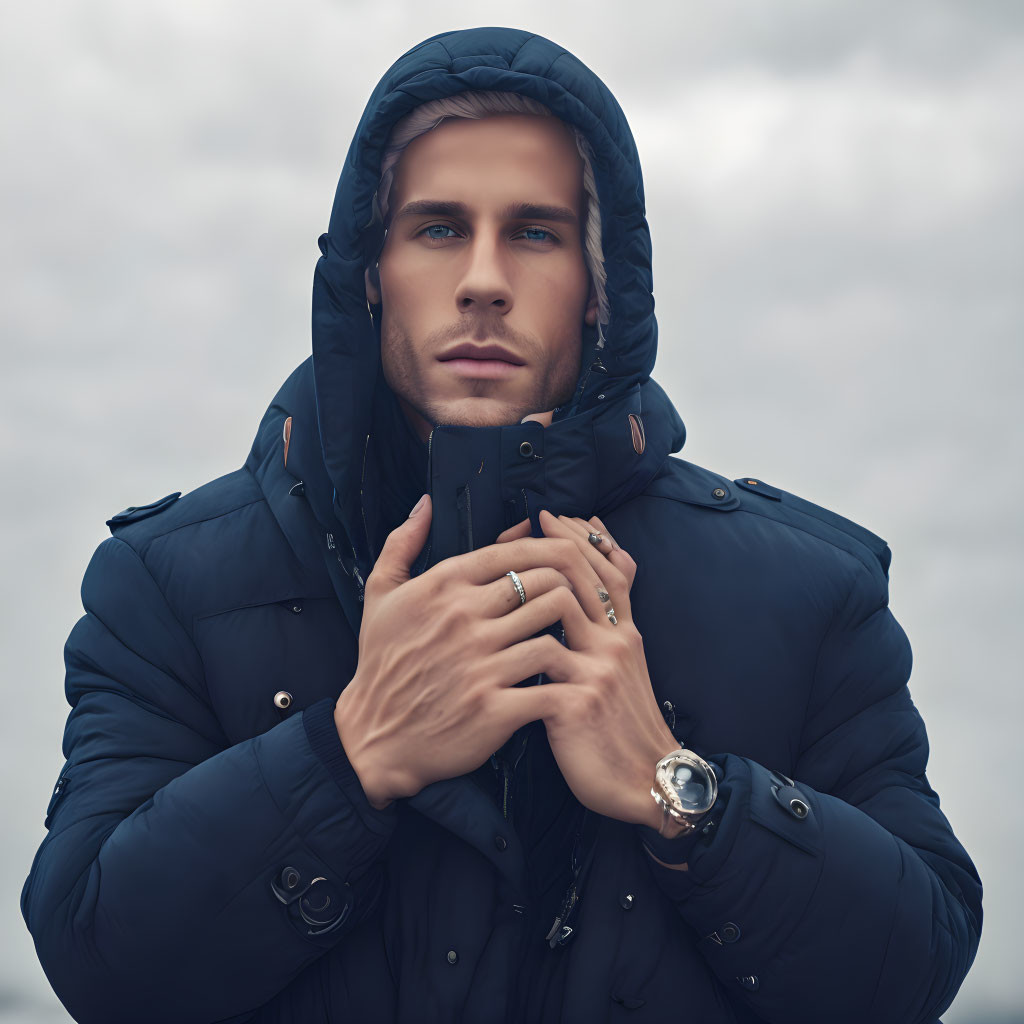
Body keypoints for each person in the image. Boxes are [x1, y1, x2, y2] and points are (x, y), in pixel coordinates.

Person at [22, 25, 981, 1024]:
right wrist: (351, 754)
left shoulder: (807, 593)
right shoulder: (164, 585)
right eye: (437, 228)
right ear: (367, 271)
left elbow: (911, 975)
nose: (483, 278)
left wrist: (679, 789)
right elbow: (101, 968)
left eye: (533, 231)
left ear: (601, 287)